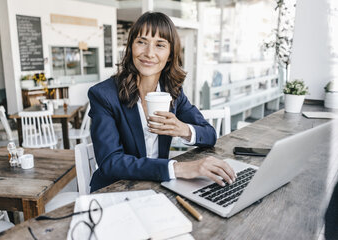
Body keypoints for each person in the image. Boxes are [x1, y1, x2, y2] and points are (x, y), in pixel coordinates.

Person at [88, 12, 236, 192]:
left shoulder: (172, 92)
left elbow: (209, 134)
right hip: (115, 190)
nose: (149, 53)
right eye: (141, 42)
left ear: (170, 54)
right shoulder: (104, 95)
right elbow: (111, 162)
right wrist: (178, 168)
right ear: (131, 47)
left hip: (157, 187)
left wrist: (183, 129)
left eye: (160, 45)